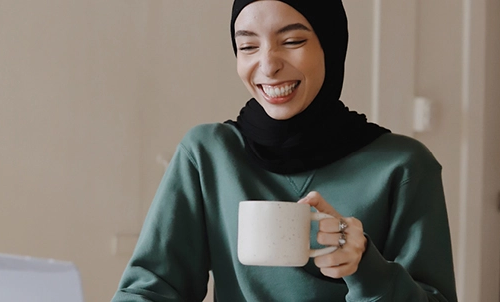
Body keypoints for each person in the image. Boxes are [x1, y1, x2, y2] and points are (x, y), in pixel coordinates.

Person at [111, 0, 458, 301]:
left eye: (292, 41)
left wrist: (366, 266)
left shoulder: (404, 166)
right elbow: (148, 291)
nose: (267, 65)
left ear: (331, 45)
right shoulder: (207, 154)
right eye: (247, 47)